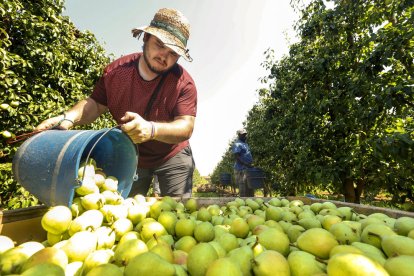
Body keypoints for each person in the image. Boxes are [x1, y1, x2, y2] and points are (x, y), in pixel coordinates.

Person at [35, 8, 197, 198]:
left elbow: (186, 127)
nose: (164, 56)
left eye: (173, 53)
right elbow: (95, 104)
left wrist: (152, 130)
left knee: (178, 211)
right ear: (145, 38)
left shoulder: (183, 83)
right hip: (132, 156)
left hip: (172, 156)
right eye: (159, 45)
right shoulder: (116, 73)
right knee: (127, 211)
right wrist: (68, 118)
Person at [232, 128, 254, 197]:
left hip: (246, 168)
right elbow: (237, 157)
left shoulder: (245, 144)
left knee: (249, 186)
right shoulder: (237, 144)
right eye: (243, 135)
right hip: (240, 169)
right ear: (239, 135)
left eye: (245, 134)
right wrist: (246, 164)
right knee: (243, 187)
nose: (245, 136)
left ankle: (249, 202)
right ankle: (243, 202)